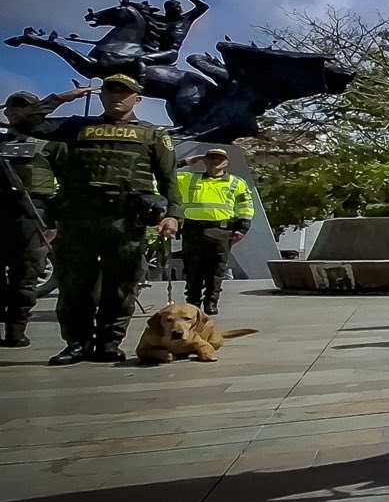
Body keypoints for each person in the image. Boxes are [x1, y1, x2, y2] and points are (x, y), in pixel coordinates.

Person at [7, 75, 182, 365]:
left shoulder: (152, 134)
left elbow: (169, 180)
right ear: (101, 96)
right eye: (111, 92)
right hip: (79, 217)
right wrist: (60, 99)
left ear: (137, 99)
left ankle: (109, 343)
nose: (117, 98)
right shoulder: (75, 126)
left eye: (124, 93)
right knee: (75, 285)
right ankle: (77, 344)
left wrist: (174, 216)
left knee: (121, 285)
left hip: (124, 220)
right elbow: (24, 123)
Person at [1, 91, 60, 347]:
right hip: (2, 211)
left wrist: (56, 220)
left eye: (24, 108)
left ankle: (15, 331)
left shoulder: (52, 143)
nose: (16, 113)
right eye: (12, 109)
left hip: (34, 212)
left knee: (25, 276)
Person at [175, 148, 253, 315]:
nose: (215, 161)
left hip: (221, 230)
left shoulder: (236, 183)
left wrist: (243, 228)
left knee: (216, 270)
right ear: (204, 160)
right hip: (193, 229)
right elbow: (162, 174)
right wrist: (186, 162)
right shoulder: (189, 179)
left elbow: (245, 206)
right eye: (210, 158)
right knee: (192, 269)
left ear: (226, 162)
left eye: (219, 158)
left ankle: (211, 301)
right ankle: (193, 302)